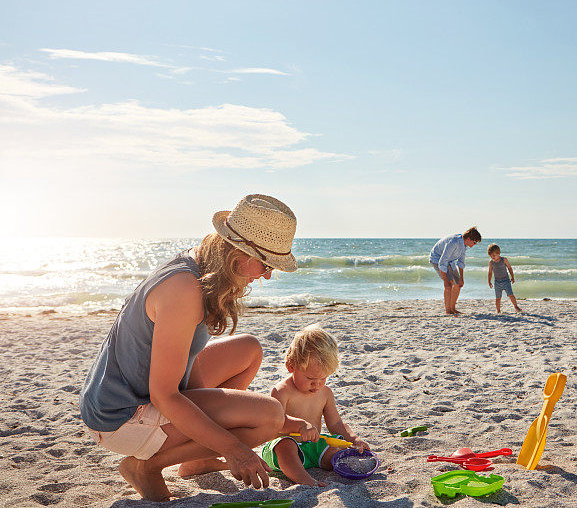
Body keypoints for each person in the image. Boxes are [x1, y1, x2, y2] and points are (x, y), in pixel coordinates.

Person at [79, 194, 318, 501]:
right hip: (121, 416)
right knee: (270, 416)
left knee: (248, 350)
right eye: (266, 264)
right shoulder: (184, 290)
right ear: (239, 252)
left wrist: (221, 424)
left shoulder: (199, 265)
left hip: (133, 394)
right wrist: (234, 448)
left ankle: (196, 459)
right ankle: (145, 467)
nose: (268, 275)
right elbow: (163, 395)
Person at [262, 324, 370, 487]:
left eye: (323, 379)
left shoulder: (325, 393)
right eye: (311, 379)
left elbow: (335, 424)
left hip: (313, 446)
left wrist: (354, 439)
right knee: (286, 446)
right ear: (291, 366)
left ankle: (328, 463)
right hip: (285, 448)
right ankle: (304, 479)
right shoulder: (282, 391)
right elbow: (275, 422)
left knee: (335, 449)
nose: (317, 384)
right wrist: (299, 427)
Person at [429, 227, 481, 314]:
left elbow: (461, 262)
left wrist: (461, 278)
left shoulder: (464, 245)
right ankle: (448, 311)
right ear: (468, 239)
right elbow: (443, 261)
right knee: (448, 285)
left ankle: (453, 309)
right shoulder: (454, 242)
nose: (475, 244)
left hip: (450, 260)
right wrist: (445, 280)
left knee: (458, 284)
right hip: (437, 259)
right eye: (475, 242)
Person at [487, 243, 522, 313]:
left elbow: (509, 268)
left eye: (494, 255)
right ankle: (498, 311)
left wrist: (512, 276)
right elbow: (490, 272)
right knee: (498, 298)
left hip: (506, 281)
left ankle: (516, 306)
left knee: (510, 295)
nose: (492, 257)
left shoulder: (504, 259)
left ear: (499, 253)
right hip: (497, 282)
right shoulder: (491, 262)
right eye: (491, 255)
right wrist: (489, 281)